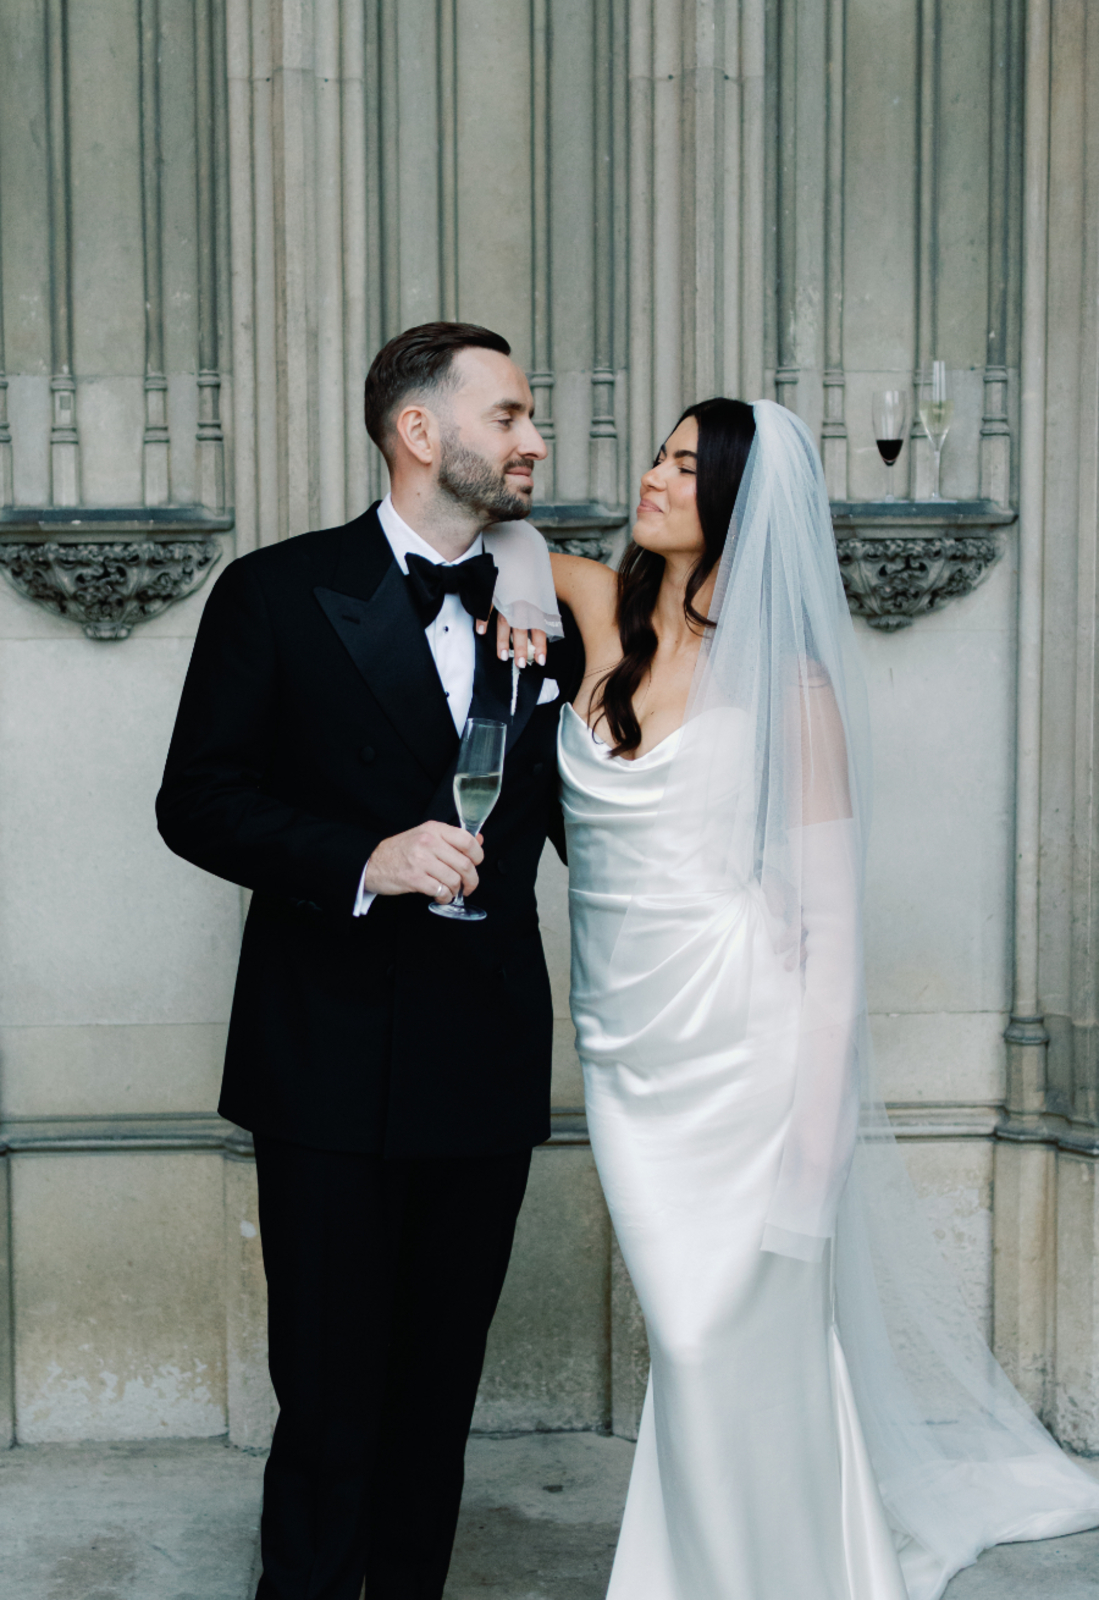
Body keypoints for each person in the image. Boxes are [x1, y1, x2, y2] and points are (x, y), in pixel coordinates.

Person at [499, 397, 1099, 1599]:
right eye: (659, 458)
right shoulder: (598, 609)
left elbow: (831, 936)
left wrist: (814, 1152)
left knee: (723, 1337)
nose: (655, 480)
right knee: (696, 1337)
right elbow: (508, 544)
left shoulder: (790, 686)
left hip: (746, 1049)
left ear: (734, 506)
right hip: (629, 1053)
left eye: (683, 466)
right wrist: (521, 587)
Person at [156, 321, 584, 1600]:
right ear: (419, 431)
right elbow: (197, 802)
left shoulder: (543, 604)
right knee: (331, 1407)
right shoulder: (277, 592)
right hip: (328, 1063)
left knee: (436, 1405)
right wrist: (365, 856)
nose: (533, 440)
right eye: (507, 415)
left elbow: (599, 809)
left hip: (485, 1052)